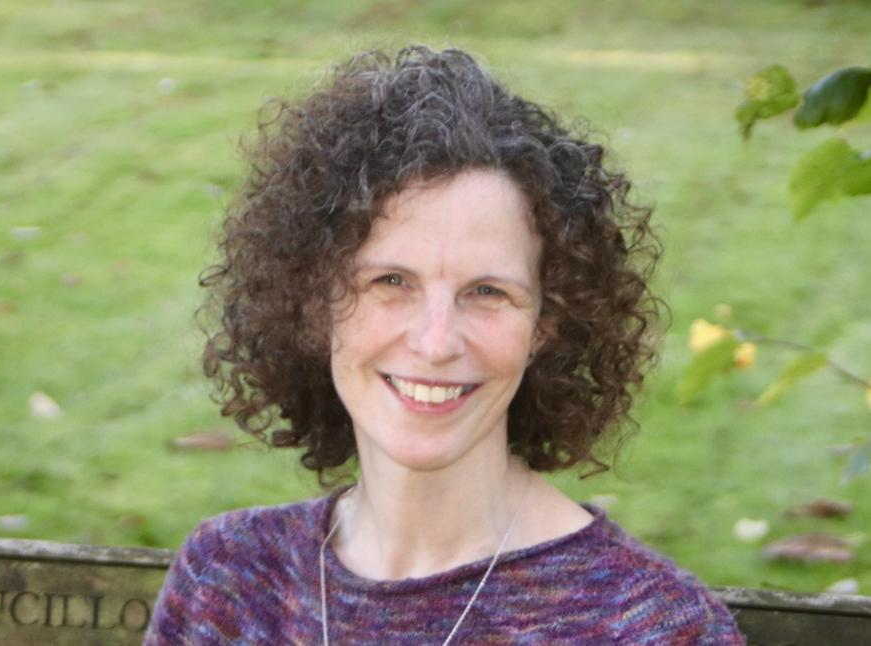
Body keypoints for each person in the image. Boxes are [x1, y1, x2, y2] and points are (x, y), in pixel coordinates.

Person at [145, 46, 744, 644]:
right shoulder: (230, 578)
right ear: (313, 298)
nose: (436, 343)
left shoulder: (653, 629)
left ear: (549, 322)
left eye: (487, 292)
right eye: (391, 282)